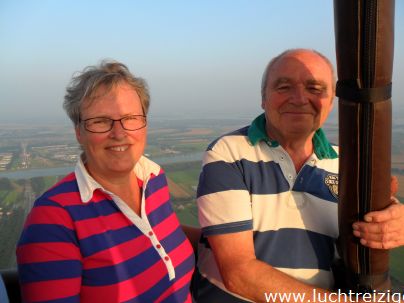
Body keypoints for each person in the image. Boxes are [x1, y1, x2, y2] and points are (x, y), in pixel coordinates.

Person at [193, 49, 404, 302]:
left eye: (315, 88)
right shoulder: (229, 153)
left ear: (331, 101)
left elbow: (373, 225)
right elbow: (239, 273)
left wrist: (390, 219)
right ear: (264, 98)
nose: (299, 98)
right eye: (284, 87)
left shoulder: (347, 163)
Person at [16, 60, 196, 303]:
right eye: (100, 121)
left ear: (145, 123)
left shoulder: (154, 179)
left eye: (131, 117)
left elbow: (153, 234)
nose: (119, 133)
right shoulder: (52, 221)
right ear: (79, 132)